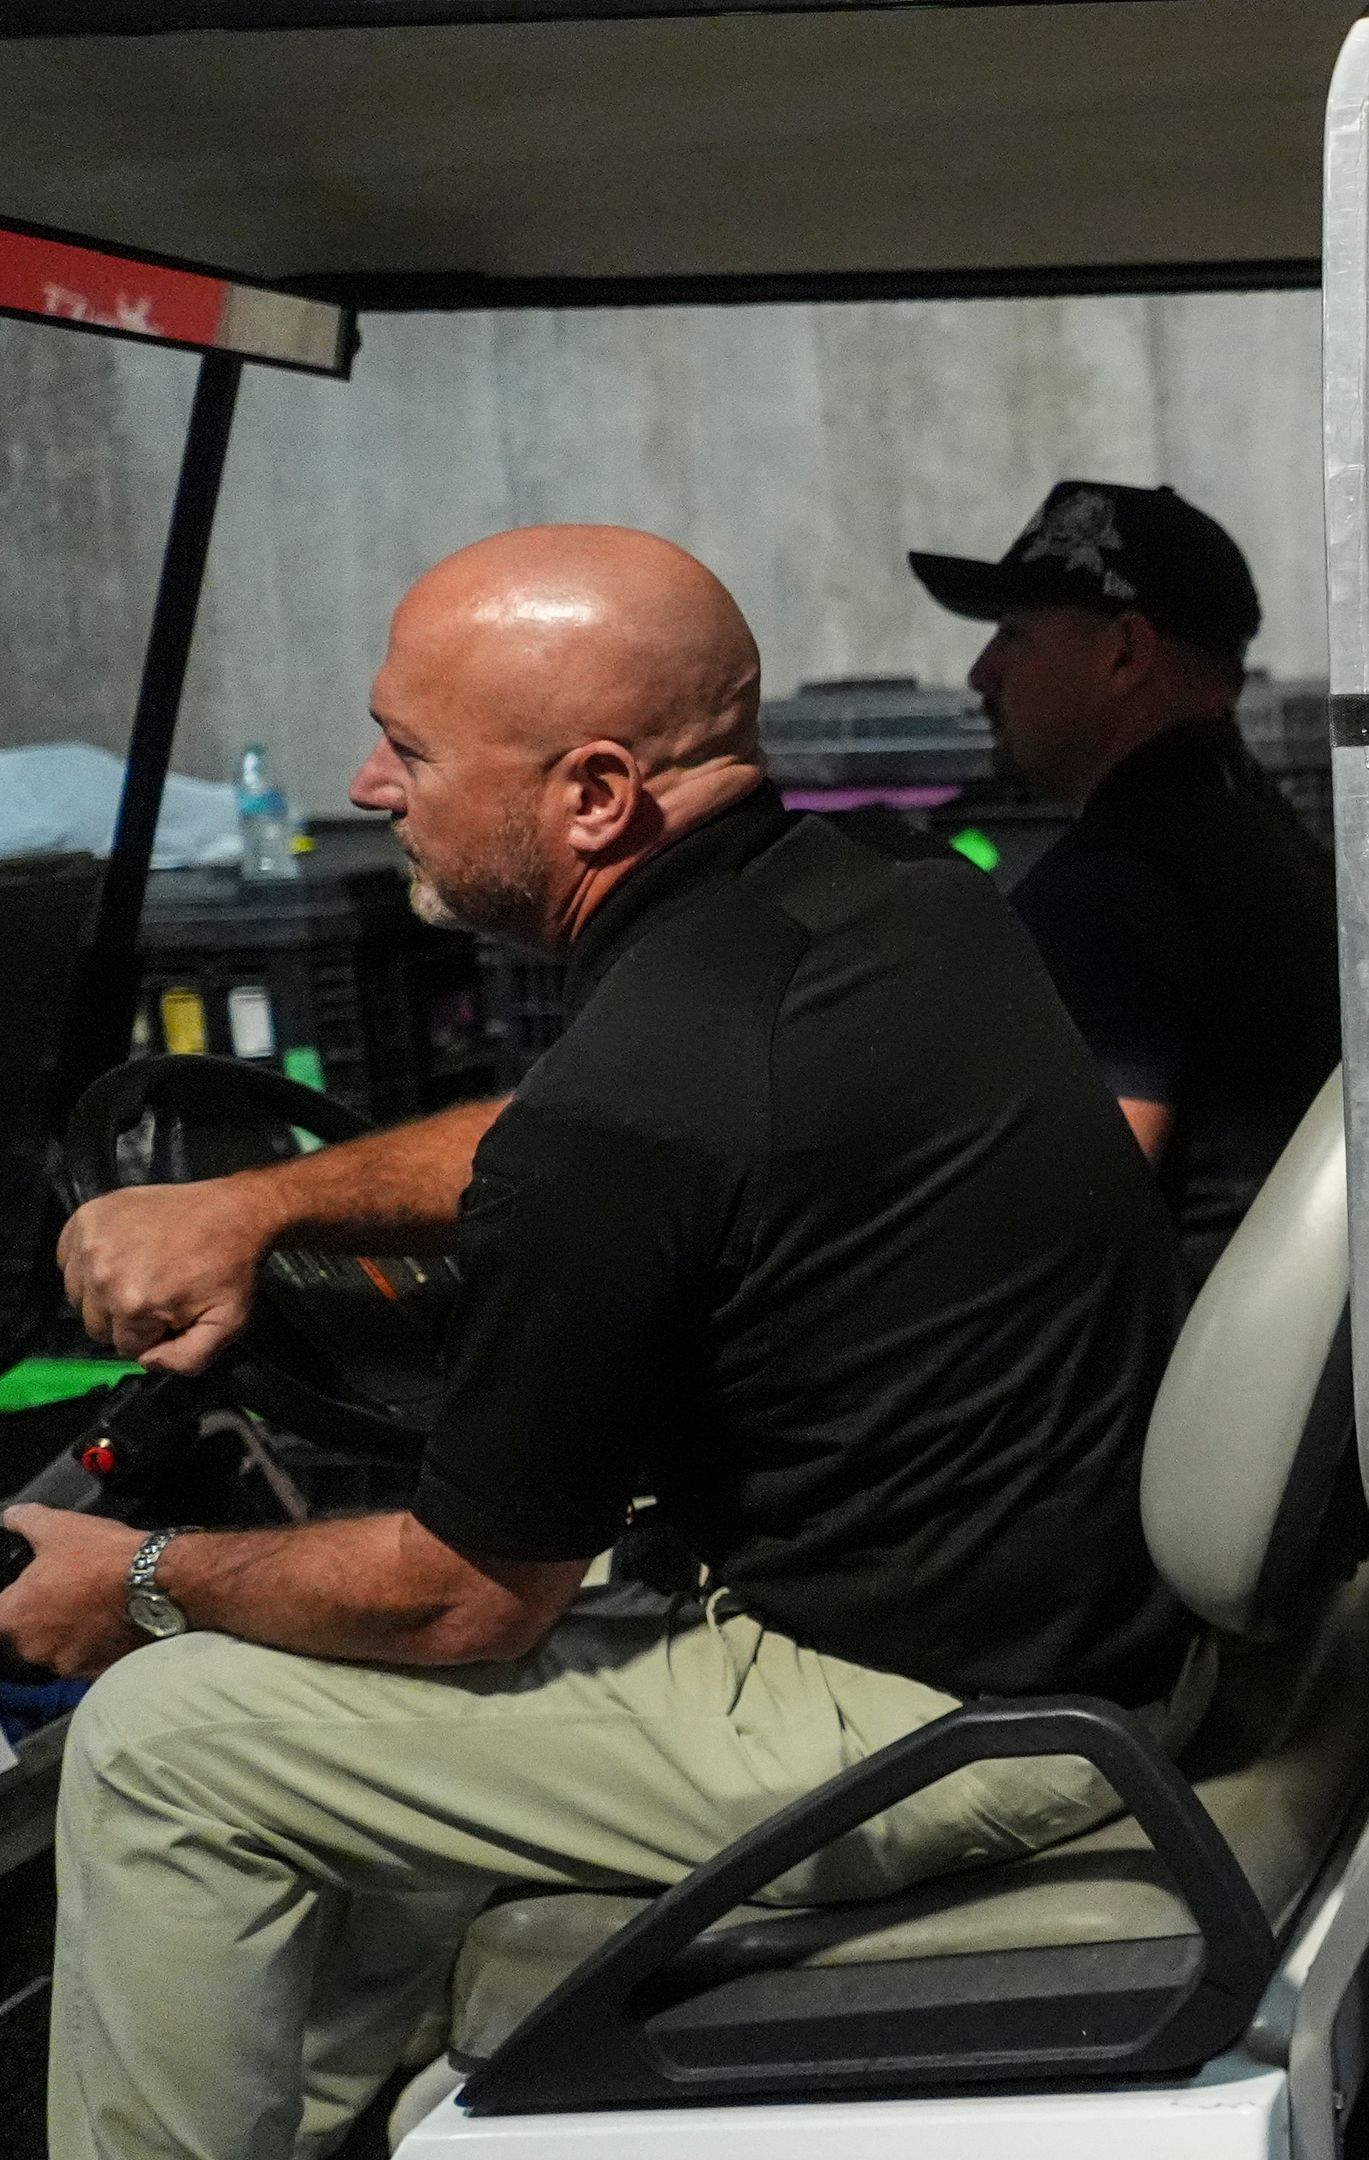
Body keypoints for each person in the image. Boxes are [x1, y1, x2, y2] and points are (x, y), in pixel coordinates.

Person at [24, 527, 1191, 2160]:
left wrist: (134, 1580)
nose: (370, 785)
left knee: (162, 1742)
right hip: (1057, 1635)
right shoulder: (896, 903)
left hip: (920, 1726)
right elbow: (592, 1139)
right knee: (302, 1704)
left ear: (591, 797)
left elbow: (463, 1603)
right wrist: (266, 1209)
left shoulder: (633, 1111)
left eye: (410, 748)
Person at [914, 480, 1342, 1291]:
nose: (980, 674)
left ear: (1125, 654)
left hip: (1185, 1388)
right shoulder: (1255, 831)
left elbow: (1054, 1224)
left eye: (1014, 635)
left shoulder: (1118, 889)